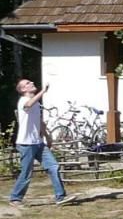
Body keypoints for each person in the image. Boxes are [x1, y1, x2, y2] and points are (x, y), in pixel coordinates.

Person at [9, 79, 76, 208]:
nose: (32, 83)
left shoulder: (36, 103)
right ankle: (15, 198)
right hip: (26, 144)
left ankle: (60, 197)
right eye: (28, 83)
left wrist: (47, 136)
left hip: (38, 143)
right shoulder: (23, 101)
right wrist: (43, 91)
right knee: (26, 172)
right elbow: (28, 105)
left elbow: (39, 121)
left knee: (53, 166)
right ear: (23, 90)